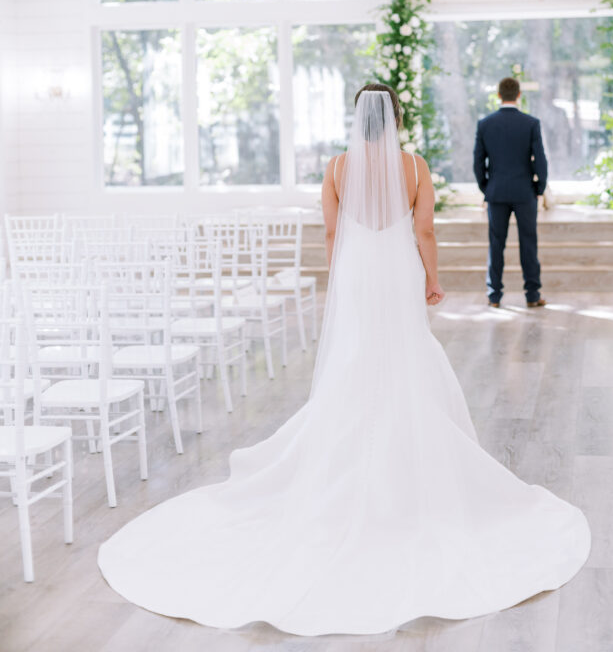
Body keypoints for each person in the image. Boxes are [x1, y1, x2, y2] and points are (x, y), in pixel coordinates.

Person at [98, 83, 588, 636]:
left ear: (358, 120)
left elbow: (333, 232)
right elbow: (423, 229)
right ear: (396, 118)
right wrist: (431, 277)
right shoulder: (414, 166)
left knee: (356, 361)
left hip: (357, 274)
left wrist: (345, 275)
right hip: (399, 270)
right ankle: (409, 473)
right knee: (404, 357)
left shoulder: (334, 168)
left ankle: (345, 468)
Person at [473, 76, 548, 309]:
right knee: (528, 243)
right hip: (525, 192)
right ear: (518, 95)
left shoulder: (485, 124)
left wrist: (486, 187)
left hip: (496, 192)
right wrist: (539, 187)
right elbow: (541, 161)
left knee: (496, 244)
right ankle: (533, 295)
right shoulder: (531, 123)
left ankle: (494, 296)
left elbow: (478, 162)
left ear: (498, 95)